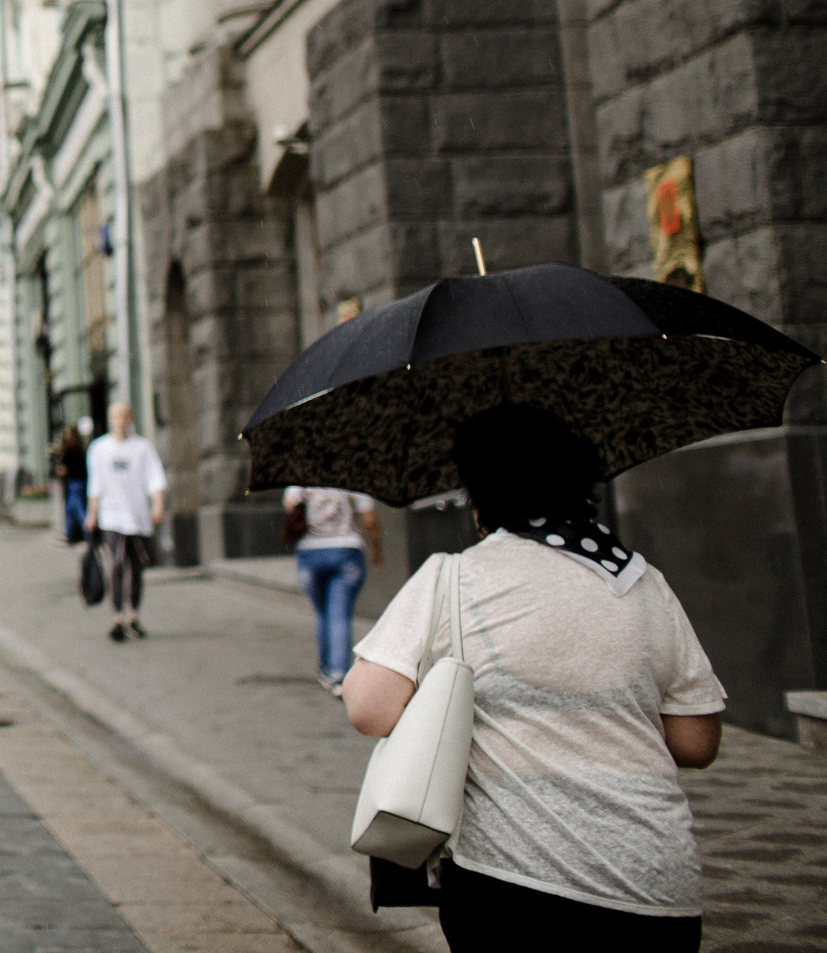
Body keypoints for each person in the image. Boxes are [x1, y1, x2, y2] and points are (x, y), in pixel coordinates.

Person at [344, 404, 723, 950]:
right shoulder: (645, 584)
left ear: (479, 499)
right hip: (657, 884)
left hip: (512, 885)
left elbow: (369, 709)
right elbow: (695, 741)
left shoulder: (452, 577)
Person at [283, 485, 381, 692]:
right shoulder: (354, 476)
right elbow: (369, 520)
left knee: (322, 613)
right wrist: (377, 551)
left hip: (310, 553)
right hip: (346, 550)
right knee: (339, 614)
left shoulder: (301, 473)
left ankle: (326, 668)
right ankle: (338, 674)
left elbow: (290, 505)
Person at [84, 401, 165, 642]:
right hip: (111, 517)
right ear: (110, 419)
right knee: (117, 565)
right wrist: (92, 514)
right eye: (116, 416)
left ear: (130, 419)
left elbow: (154, 479)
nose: (120, 420)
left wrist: (157, 504)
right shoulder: (99, 449)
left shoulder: (142, 448)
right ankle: (118, 617)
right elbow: (95, 484)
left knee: (137, 567)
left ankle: (134, 616)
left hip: (137, 517)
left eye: (124, 415)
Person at [56, 422, 89, 544]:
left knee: (77, 509)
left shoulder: (70, 451)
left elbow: (66, 469)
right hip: (77, 483)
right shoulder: (79, 449)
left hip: (74, 483)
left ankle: (88, 533)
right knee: (70, 509)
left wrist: (64, 470)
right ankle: (69, 534)